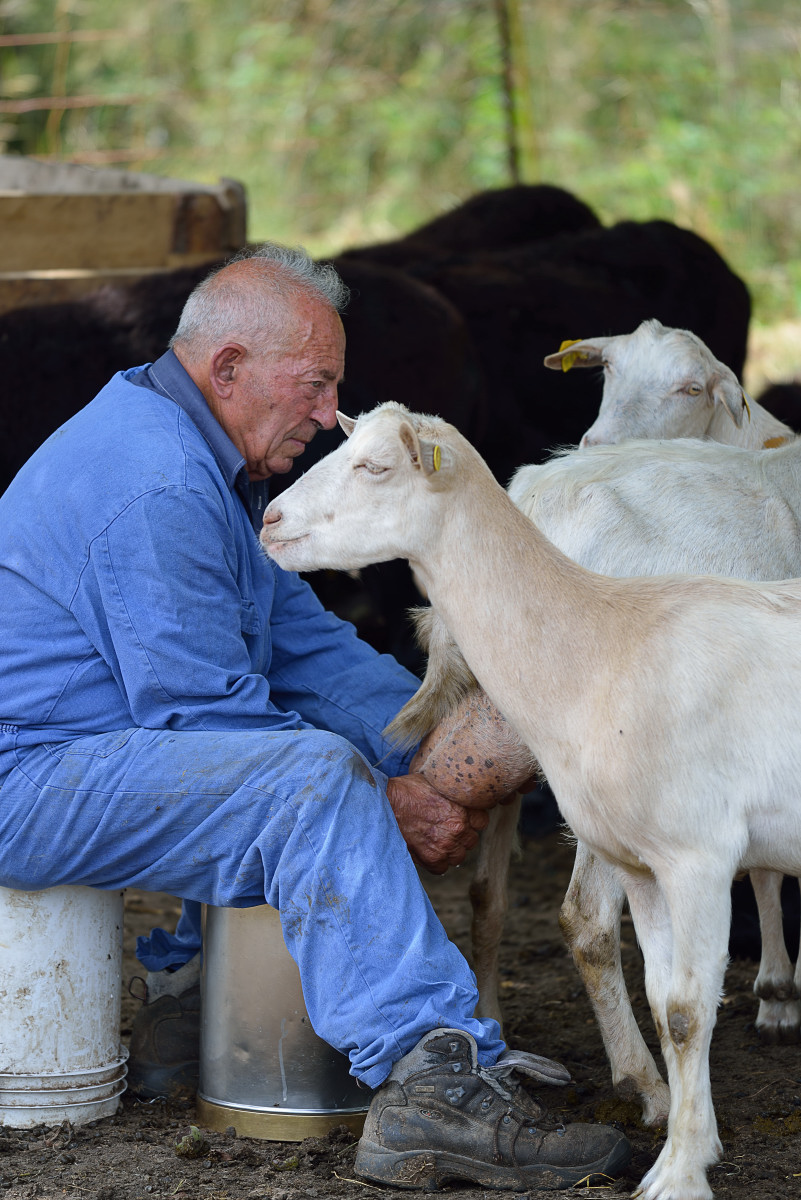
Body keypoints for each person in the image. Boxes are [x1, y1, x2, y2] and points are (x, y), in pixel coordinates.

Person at [0, 244, 629, 1191]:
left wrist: (455, 732)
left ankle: (185, 1002)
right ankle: (430, 1079)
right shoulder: (154, 480)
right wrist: (392, 796)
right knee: (304, 780)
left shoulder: (195, 453)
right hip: (31, 774)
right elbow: (207, 727)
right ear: (227, 368)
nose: (333, 414)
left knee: (312, 743)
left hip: (97, 754)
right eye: (317, 383)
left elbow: (302, 645)